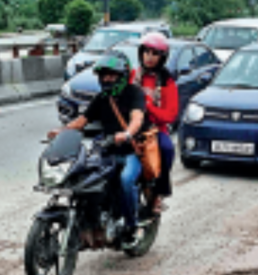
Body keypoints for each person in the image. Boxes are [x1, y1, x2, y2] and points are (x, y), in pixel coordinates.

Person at [48, 52, 150, 247]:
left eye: (111, 75)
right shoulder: (102, 98)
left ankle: (132, 225)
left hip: (131, 151)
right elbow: (82, 121)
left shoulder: (134, 93)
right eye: (103, 75)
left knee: (126, 180)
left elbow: (137, 118)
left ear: (122, 76)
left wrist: (127, 133)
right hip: (107, 150)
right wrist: (61, 131)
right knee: (85, 178)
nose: (107, 79)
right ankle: (92, 222)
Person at [129, 33, 179, 214]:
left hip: (155, 129)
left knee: (166, 149)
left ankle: (158, 193)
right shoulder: (133, 75)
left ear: (162, 57)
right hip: (131, 125)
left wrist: (148, 106)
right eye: (146, 52)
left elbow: (170, 115)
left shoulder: (167, 82)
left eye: (155, 53)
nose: (149, 57)